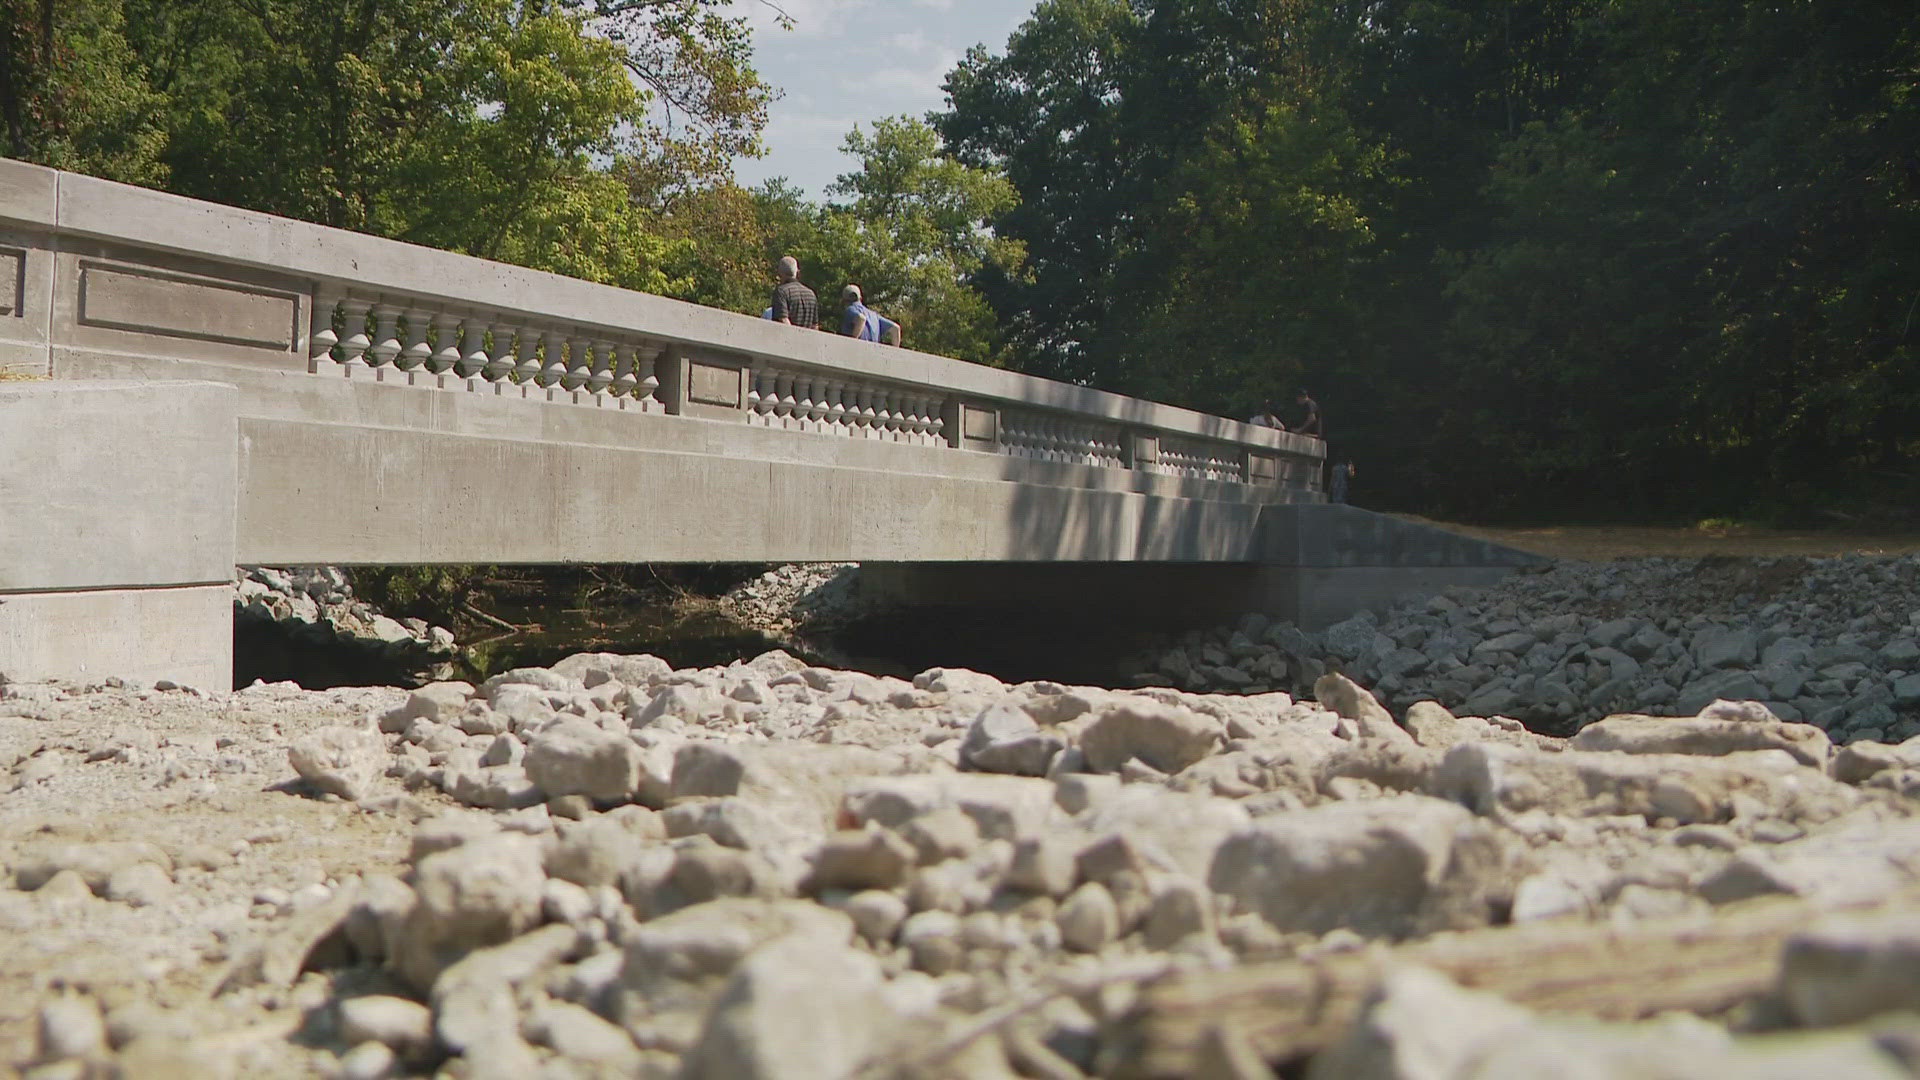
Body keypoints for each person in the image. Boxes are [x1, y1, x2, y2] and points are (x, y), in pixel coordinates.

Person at [769, 256, 819, 329]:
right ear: (797, 272)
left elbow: (783, 320)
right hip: (807, 339)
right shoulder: (811, 294)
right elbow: (814, 326)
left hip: (787, 339)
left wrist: (792, 337)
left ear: (780, 272)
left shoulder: (781, 292)